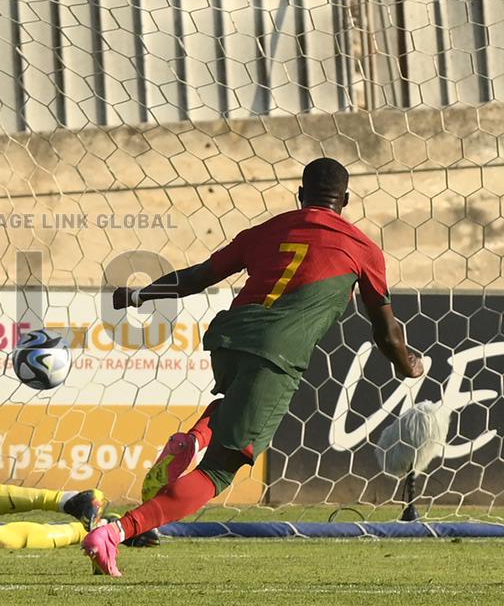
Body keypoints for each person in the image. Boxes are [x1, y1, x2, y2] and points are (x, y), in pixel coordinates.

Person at [83, 158, 424, 576]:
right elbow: (386, 332)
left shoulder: (267, 230)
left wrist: (140, 296)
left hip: (230, 338)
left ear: (300, 196)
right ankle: (116, 532)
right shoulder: (362, 249)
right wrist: (409, 365)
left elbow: (198, 277)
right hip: (276, 354)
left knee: (231, 406)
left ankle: (193, 437)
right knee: (219, 472)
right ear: (347, 200)